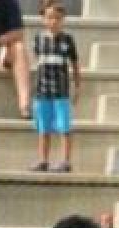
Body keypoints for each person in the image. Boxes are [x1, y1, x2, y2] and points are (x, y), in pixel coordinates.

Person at [29, 1, 79, 173]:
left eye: (57, 18)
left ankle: (66, 160)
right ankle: (43, 160)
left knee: (64, 126)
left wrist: (77, 87)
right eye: (49, 18)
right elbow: (37, 64)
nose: (53, 22)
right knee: (43, 128)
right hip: (42, 92)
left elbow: (75, 65)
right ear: (43, 19)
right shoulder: (38, 39)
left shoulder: (68, 40)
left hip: (61, 92)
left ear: (63, 19)